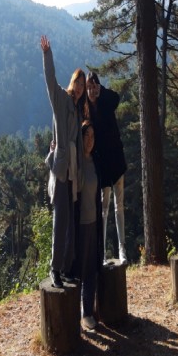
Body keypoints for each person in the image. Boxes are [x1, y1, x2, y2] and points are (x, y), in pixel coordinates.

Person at [41, 35, 85, 288]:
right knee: (60, 224)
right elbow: (50, 81)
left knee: (69, 224)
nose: (79, 87)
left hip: (72, 173)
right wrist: (47, 55)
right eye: (77, 82)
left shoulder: (78, 110)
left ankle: (67, 269)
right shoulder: (61, 100)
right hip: (60, 171)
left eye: (82, 85)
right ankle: (55, 269)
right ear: (72, 82)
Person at [85, 71, 127, 264]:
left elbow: (116, 98)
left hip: (116, 162)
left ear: (98, 86)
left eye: (94, 86)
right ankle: (101, 253)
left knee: (119, 207)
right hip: (102, 166)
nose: (91, 91)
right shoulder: (87, 111)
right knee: (104, 208)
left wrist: (102, 91)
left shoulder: (106, 102)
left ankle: (122, 250)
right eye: (88, 87)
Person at [77, 120, 104, 330]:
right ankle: (76, 314)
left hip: (94, 222)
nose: (89, 140)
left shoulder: (95, 161)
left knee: (91, 270)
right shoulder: (77, 162)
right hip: (80, 224)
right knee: (80, 270)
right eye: (86, 135)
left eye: (93, 136)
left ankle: (87, 312)